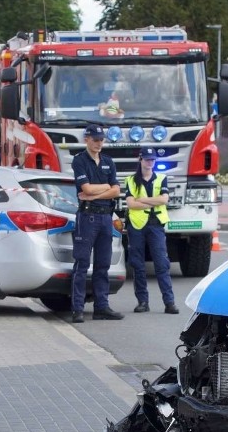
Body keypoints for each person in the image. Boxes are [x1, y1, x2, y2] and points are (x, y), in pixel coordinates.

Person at [69, 124, 124, 323]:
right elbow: (86, 188)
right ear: (87, 139)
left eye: (101, 140)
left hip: (105, 218)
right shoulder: (79, 161)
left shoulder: (108, 161)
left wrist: (95, 193)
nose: (99, 143)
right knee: (82, 264)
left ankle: (102, 307)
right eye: (95, 139)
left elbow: (116, 190)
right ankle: (77, 309)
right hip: (88, 218)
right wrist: (104, 188)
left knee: (103, 265)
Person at [124, 147, 179, 315]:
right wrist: (152, 202)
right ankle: (142, 302)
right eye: (147, 159)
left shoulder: (161, 178)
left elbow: (164, 199)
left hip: (156, 225)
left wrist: (143, 200)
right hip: (137, 225)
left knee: (162, 263)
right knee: (138, 264)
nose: (150, 162)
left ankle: (169, 302)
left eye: (153, 159)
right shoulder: (131, 180)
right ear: (140, 160)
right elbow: (131, 204)